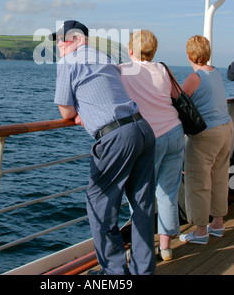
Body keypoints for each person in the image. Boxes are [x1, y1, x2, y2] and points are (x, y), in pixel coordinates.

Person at [50, 20, 156, 275]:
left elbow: (65, 110)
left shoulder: (68, 62)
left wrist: (78, 112)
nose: (59, 45)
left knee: (99, 207)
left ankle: (115, 274)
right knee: (142, 208)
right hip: (142, 129)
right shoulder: (105, 57)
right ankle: (143, 272)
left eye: (63, 40)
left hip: (117, 137)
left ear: (78, 40)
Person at [119, 30, 185, 262]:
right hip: (176, 133)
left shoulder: (123, 70)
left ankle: (141, 249)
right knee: (168, 192)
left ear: (130, 50)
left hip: (151, 138)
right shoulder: (163, 68)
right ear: (154, 50)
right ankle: (165, 248)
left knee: (141, 196)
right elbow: (178, 96)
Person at [179, 35, 234, 244]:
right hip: (226, 128)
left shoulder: (195, 77)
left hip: (206, 135)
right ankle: (218, 224)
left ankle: (201, 231)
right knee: (220, 177)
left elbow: (180, 101)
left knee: (198, 180)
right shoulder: (216, 73)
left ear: (189, 54)